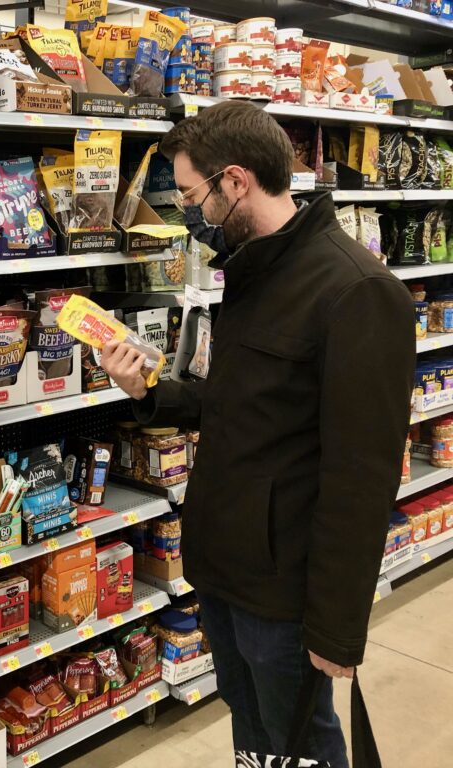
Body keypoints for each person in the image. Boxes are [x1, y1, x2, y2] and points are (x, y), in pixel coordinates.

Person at [100, 101, 414, 766]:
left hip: (285, 588)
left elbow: (362, 477)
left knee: (301, 741)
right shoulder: (251, 272)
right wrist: (151, 391)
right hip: (224, 565)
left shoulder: (356, 290)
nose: (191, 213)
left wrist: (337, 627)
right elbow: (240, 404)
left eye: (192, 195)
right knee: (254, 735)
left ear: (236, 182)